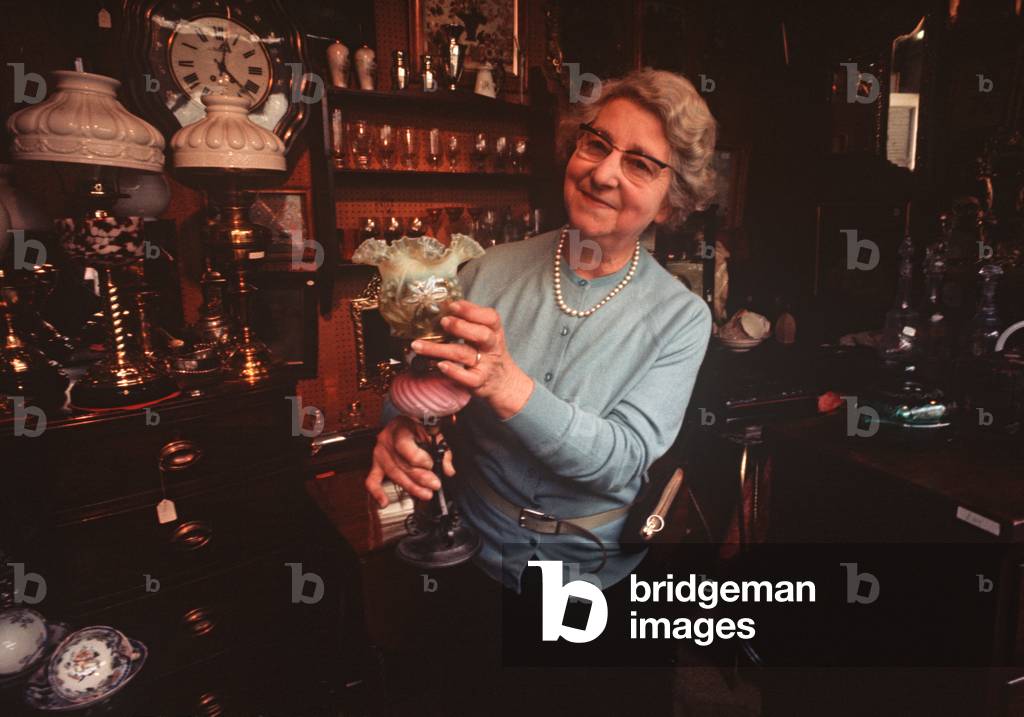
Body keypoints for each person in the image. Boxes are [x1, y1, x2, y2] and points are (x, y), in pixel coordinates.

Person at [364, 68, 717, 715]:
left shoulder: (681, 317)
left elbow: (620, 458)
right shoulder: (486, 269)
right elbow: (424, 382)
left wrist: (506, 383)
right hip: (471, 567)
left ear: (672, 200)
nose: (605, 172)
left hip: (591, 587)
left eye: (639, 162)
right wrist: (400, 426)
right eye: (596, 143)